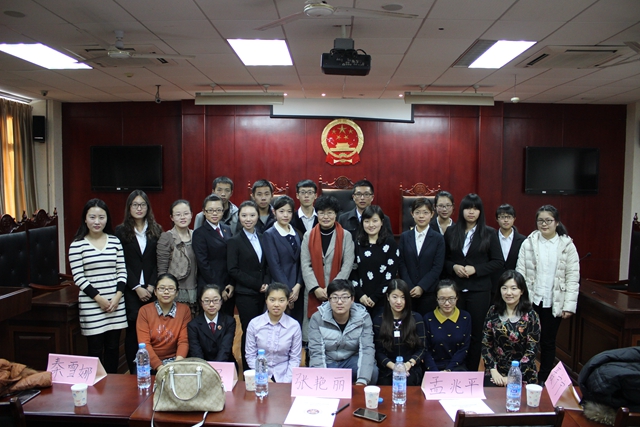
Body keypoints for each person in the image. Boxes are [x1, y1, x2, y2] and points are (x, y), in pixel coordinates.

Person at [516, 205, 580, 383]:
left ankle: (543, 379)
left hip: (554, 301)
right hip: (532, 300)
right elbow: (520, 272)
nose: (544, 224)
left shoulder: (567, 246)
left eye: (548, 220)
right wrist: (519, 300)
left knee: (548, 342)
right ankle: (524, 375)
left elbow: (572, 277)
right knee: (526, 340)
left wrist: (569, 306)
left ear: (556, 222)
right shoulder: (529, 243)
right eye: (540, 221)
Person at [444, 193, 503, 371]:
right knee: (454, 331)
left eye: (475, 208)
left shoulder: (489, 233)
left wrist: (476, 269)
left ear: (480, 212)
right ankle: (453, 369)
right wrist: (454, 267)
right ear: (461, 210)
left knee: (476, 334)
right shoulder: (451, 231)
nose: (471, 212)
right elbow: (443, 260)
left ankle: (471, 372)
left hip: (479, 291)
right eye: (468, 208)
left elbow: (498, 262)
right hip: (456, 291)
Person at [69, 199, 127, 374]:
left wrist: (117, 297)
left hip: (116, 303)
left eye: (101, 217)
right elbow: (78, 277)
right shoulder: (77, 245)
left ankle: (112, 383)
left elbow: (122, 272)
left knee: (113, 347)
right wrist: (99, 299)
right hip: (92, 304)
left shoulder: (115, 241)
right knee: (95, 349)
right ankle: (96, 384)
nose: (97, 221)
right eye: (92, 217)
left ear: (107, 219)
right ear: (85, 219)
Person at [115, 190, 163, 375]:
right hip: (131, 290)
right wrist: (136, 287)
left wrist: (151, 285)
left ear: (147, 207)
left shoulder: (156, 229)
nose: (139, 208)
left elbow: (159, 261)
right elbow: (121, 262)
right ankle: (133, 371)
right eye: (135, 205)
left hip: (152, 289)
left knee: (152, 330)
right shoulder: (121, 231)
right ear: (129, 208)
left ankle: (152, 369)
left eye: (142, 204)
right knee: (132, 332)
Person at [308, 279, 378, 385]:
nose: (340, 302)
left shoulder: (363, 317)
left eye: (345, 297)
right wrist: (322, 382)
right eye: (335, 297)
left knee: (372, 372)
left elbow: (367, 349)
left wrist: (362, 381)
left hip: (351, 361)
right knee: (314, 375)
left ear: (352, 299)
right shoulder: (317, 318)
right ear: (329, 300)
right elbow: (316, 352)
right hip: (328, 361)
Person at [227, 200, 271, 370]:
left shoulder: (263, 236)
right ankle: (248, 369)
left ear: (257, 216)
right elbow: (233, 270)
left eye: (252, 215)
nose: (248, 219)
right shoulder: (234, 241)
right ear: (238, 217)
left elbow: (266, 264)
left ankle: (263, 365)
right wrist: (257, 285)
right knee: (250, 331)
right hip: (245, 293)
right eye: (244, 215)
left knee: (263, 331)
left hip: (264, 292)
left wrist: (265, 283)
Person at [481, 270, 540, 386]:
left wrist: (513, 377)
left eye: (513, 288)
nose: (508, 293)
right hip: (496, 373)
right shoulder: (493, 311)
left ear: (522, 291)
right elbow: (486, 343)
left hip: (523, 373)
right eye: (504, 288)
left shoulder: (531, 316)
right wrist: (493, 370)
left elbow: (531, 351)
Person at [301, 195, 355, 318]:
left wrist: (332, 289)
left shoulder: (346, 236)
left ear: (336, 214)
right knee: (312, 326)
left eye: (330, 213)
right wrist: (315, 288)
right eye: (322, 213)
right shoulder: (308, 236)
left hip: (338, 293)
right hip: (313, 292)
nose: (326, 217)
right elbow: (305, 264)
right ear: (317, 214)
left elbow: (347, 265)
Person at [245, 283, 302, 383]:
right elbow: (250, 356)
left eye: (281, 300)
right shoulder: (254, 324)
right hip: (259, 375)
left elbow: (295, 359)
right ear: (266, 300)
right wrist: (263, 377)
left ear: (287, 301)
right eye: (272, 300)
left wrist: (285, 382)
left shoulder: (294, 326)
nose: (276, 304)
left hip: (285, 375)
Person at [372, 279, 425, 386]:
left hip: (410, 367)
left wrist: (409, 364)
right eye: (395, 297)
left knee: (408, 381)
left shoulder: (416, 318)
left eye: (403, 297)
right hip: (387, 368)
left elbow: (422, 348)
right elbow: (378, 351)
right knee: (386, 384)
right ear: (388, 297)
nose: (399, 302)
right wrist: (394, 367)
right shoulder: (378, 320)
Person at [398, 197, 445, 315]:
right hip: (408, 291)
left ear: (432, 214)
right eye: (417, 212)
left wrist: (421, 287)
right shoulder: (405, 236)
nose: (421, 216)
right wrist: (409, 286)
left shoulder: (438, 238)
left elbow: (437, 267)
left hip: (429, 292)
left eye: (425, 212)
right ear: (412, 214)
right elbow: (401, 263)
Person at [136, 273, 192, 371]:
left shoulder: (184, 310)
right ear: (155, 292)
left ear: (177, 292)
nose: (166, 292)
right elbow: (144, 344)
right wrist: (160, 368)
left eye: (171, 288)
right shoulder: (144, 311)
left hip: (175, 360)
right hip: (149, 361)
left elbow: (184, 341)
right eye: (162, 288)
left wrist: (176, 365)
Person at [352, 205, 399, 317]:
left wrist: (375, 297)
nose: (371, 225)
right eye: (367, 221)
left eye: (375, 221)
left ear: (382, 222)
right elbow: (353, 271)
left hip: (382, 300)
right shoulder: (357, 243)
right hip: (360, 299)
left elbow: (391, 273)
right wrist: (360, 295)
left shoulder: (390, 244)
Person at [263, 196, 304, 325]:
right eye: (281, 211)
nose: (285, 215)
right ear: (274, 212)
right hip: (279, 287)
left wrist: (298, 285)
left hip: (297, 288)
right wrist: (288, 291)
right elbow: (274, 265)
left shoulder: (296, 233)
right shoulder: (269, 234)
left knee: (295, 324)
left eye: (289, 211)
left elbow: (301, 261)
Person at [192, 194, 235, 316]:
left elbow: (232, 257)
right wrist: (219, 288)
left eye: (218, 210)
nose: (214, 213)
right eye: (210, 210)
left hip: (228, 285)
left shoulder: (227, 229)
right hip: (210, 286)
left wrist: (231, 283)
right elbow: (203, 264)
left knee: (228, 320)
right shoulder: (199, 233)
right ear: (204, 212)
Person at [157, 200, 198, 317]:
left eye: (186, 213)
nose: (182, 217)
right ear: (172, 217)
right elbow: (162, 270)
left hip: (195, 290)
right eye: (178, 214)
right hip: (174, 291)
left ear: (191, 214)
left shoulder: (196, 235)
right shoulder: (166, 237)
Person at [423, 279, 471, 372]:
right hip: (433, 367)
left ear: (457, 297)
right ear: (436, 298)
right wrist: (435, 372)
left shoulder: (465, 317)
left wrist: (448, 370)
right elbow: (425, 349)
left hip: (457, 367)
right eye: (442, 299)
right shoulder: (428, 318)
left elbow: (464, 348)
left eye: (451, 299)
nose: (447, 303)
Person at [187, 284, 236, 362]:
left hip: (225, 363)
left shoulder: (229, 321)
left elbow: (225, 348)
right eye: (207, 301)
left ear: (221, 301)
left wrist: (217, 366)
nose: (211, 304)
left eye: (215, 300)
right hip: (202, 364)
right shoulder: (193, 325)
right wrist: (206, 367)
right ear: (201, 302)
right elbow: (196, 352)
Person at [491, 204, 526, 301]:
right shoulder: (490, 238)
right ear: (497, 219)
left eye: (509, 217)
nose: (506, 220)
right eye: (502, 217)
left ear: (514, 218)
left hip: (514, 287)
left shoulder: (523, 240)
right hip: (493, 286)